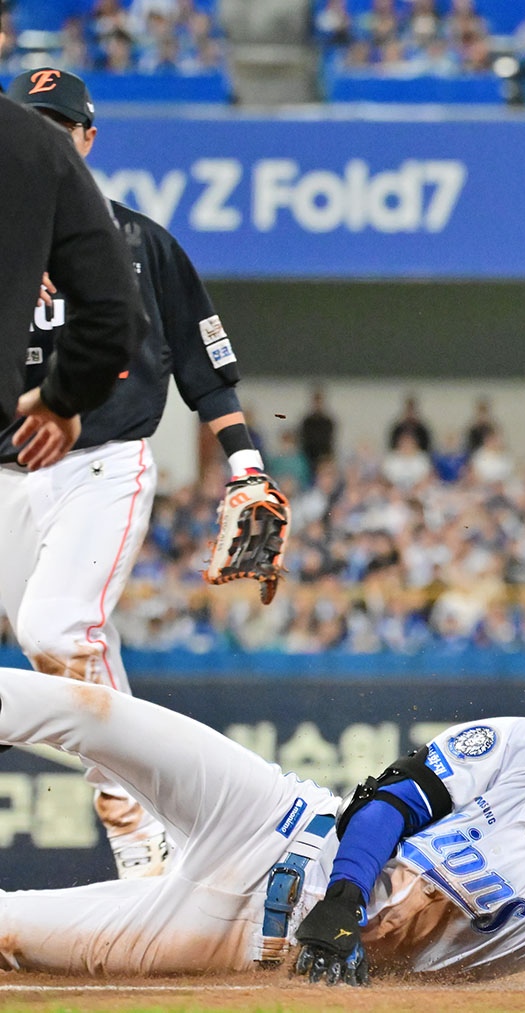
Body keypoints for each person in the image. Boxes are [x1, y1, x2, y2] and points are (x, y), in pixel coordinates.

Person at [0, 609, 525, 982]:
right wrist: (345, 897)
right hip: (276, 817)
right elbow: (394, 798)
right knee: (81, 708)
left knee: (9, 930)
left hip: (238, 934)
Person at [1, 67, 280, 879]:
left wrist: (247, 467)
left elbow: (204, 368)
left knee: (57, 632)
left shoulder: (137, 240)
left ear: (89, 138)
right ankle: (163, 834)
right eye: (32, 124)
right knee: (74, 654)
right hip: (8, 479)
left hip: (102, 465)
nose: (47, 137)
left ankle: (140, 836)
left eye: (63, 125)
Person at [0, 51, 145, 474]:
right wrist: (61, 398)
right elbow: (115, 314)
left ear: (90, 135)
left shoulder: (147, 239)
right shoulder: (35, 146)